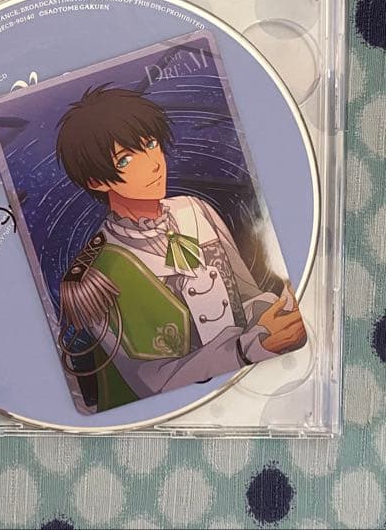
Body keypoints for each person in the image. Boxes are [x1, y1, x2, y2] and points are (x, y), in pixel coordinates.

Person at [53, 85, 306, 412]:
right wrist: (248, 348)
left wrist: (277, 314)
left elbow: (246, 296)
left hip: (261, 381)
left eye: (150, 144)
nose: (153, 164)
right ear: (96, 181)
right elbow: (149, 381)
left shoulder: (195, 209)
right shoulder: (93, 277)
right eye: (126, 159)